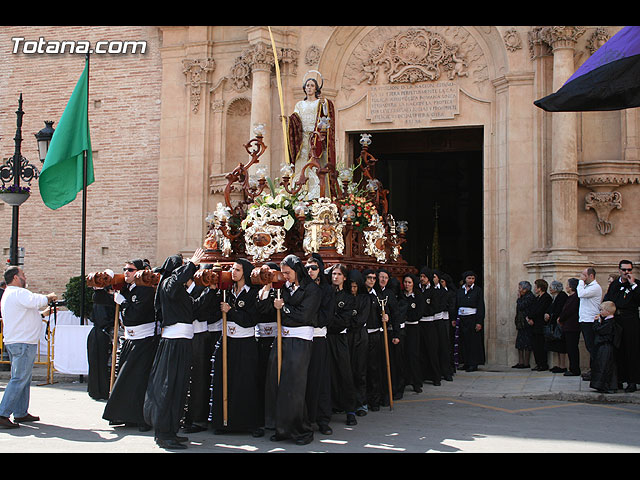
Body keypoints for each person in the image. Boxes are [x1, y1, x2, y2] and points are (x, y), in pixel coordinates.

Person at [143, 249, 209, 450]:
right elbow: (173, 283)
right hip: (173, 343)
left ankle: (171, 430)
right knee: (169, 387)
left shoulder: (179, 291)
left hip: (183, 341)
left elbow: (194, 309)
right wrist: (192, 263)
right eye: (179, 265)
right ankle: (163, 433)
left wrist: (211, 290)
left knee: (180, 388)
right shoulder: (168, 284)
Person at [262, 254, 321, 446]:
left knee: (294, 386)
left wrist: (284, 307)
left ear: (297, 270)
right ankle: (281, 427)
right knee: (277, 381)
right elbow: (269, 309)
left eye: (288, 273)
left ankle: (299, 428)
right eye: (283, 273)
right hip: (283, 338)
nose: (285, 276)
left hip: (300, 340)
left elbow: (304, 315)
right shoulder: (283, 288)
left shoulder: (312, 289)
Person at [103, 259, 158, 431]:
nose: (126, 272)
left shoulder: (146, 291)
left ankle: (142, 418)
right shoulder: (127, 288)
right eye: (125, 269)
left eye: (131, 270)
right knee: (126, 379)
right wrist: (105, 282)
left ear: (141, 273)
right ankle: (125, 415)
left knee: (139, 380)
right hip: (130, 340)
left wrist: (124, 303)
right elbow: (100, 299)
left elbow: (134, 315)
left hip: (144, 341)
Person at [210, 258, 262, 437]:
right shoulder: (227, 291)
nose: (234, 272)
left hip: (245, 343)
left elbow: (250, 320)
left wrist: (231, 311)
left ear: (245, 273)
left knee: (245, 383)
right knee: (225, 380)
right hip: (228, 340)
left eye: (238, 270)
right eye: (233, 269)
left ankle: (247, 423)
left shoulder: (252, 293)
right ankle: (223, 421)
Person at [0, 266, 56, 429]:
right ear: (16, 278)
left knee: (23, 378)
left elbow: (25, 314)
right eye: (23, 274)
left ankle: (20, 412)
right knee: (19, 379)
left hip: (18, 341)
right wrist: (49, 297)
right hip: (22, 343)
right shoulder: (19, 293)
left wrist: (43, 314)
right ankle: (3, 413)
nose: (25, 277)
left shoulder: (10, 295)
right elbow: (36, 301)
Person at [286, 74, 336, 199]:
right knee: (301, 163)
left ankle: (318, 194)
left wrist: (325, 104)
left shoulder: (320, 102)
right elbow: (295, 119)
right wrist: (287, 120)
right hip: (303, 138)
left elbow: (326, 115)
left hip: (315, 138)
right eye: (307, 85)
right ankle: (300, 192)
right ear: (304, 88)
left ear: (316, 89)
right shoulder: (299, 104)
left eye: (312, 86)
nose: (309, 88)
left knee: (317, 163)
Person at [303, 253, 333, 435]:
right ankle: (305, 417)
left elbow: (326, 315)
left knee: (321, 379)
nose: (310, 271)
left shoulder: (327, 290)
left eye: (314, 268)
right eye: (307, 268)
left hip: (319, 336)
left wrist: (309, 319)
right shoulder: (303, 287)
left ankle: (322, 419)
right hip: (303, 337)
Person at [326, 263, 358, 426]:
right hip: (325, 339)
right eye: (333, 274)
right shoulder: (326, 293)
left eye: (339, 274)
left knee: (344, 373)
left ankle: (350, 411)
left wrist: (327, 321)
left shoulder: (348, 298)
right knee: (327, 373)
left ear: (344, 277)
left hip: (339, 339)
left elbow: (343, 322)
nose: (335, 277)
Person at [604, 260, 640, 393]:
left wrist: (633, 284)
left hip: (630, 320)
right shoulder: (614, 284)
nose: (627, 273)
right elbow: (608, 299)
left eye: (629, 270)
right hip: (617, 320)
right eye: (624, 270)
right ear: (619, 270)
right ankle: (618, 379)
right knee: (617, 350)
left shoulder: (636, 284)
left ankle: (632, 381)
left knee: (632, 350)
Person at [87, 282, 116, 401]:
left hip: (97, 333)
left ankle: (97, 390)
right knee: (100, 363)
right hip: (101, 333)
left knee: (97, 363)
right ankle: (101, 390)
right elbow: (103, 319)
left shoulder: (102, 300)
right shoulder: (105, 301)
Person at [376, 268, 401, 402]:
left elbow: (396, 314)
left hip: (388, 332)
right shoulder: (374, 293)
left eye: (386, 278)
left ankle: (389, 392)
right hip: (375, 333)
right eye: (381, 277)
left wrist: (396, 334)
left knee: (389, 364)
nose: (383, 280)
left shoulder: (390, 294)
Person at [347, 269, 370, 417]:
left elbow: (361, 319)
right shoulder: (345, 297)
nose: (353, 289)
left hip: (360, 336)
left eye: (356, 286)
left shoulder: (365, 298)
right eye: (351, 286)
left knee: (360, 370)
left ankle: (361, 403)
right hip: (347, 336)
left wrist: (349, 320)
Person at [455, 271, 485, 372]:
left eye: (472, 278)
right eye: (469, 278)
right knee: (464, 341)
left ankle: (473, 363)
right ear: (465, 279)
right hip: (462, 318)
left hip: (472, 318)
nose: (471, 280)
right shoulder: (460, 290)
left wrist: (479, 322)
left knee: (473, 342)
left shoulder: (478, 290)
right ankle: (466, 362)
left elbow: (481, 306)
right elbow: (456, 304)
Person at [399, 273, 424, 393]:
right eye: (405, 282)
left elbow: (418, 313)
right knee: (403, 355)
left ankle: (416, 382)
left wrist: (408, 316)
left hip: (413, 328)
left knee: (413, 355)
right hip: (403, 328)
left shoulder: (418, 297)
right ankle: (404, 380)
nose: (407, 285)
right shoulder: (401, 296)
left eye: (409, 282)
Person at [577, 267, 602, 381]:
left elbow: (580, 294)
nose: (582, 277)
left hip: (590, 320)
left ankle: (596, 371)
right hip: (584, 319)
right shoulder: (588, 287)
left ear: (591, 276)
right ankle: (593, 370)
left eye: (584, 275)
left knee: (592, 347)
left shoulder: (595, 287)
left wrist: (580, 282)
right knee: (590, 347)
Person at [589, 301, 619, 394]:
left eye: (602, 310)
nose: (600, 312)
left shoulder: (609, 323)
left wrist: (596, 322)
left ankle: (607, 385)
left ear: (608, 311)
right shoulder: (607, 321)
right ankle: (601, 385)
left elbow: (598, 330)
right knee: (602, 365)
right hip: (603, 346)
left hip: (606, 346)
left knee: (605, 366)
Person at [526, 279, 552, 371]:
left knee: (541, 345)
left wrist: (531, 317)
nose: (534, 289)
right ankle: (538, 363)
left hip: (540, 325)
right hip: (534, 325)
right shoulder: (537, 298)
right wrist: (529, 318)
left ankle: (543, 364)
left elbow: (540, 311)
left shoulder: (546, 298)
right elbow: (532, 309)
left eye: (536, 287)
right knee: (535, 346)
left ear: (540, 288)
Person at [557, 278, 581, 377]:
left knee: (572, 349)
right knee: (570, 348)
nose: (566, 286)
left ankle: (574, 369)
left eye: (567, 285)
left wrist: (561, 319)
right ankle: (573, 368)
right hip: (568, 326)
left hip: (572, 327)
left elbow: (568, 311)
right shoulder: (571, 297)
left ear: (571, 287)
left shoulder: (575, 298)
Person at [544, 280, 568, 373]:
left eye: (551, 287)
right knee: (557, 346)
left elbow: (559, 310)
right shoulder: (555, 297)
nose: (550, 289)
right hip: (555, 324)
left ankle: (563, 365)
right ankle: (559, 365)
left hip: (560, 325)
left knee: (561, 346)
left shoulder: (562, 296)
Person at [513, 281, 535, 369]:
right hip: (521, 323)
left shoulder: (529, 297)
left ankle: (525, 363)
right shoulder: (525, 296)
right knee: (520, 343)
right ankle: (521, 362)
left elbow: (521, 306)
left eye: (520, 288)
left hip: (526, 323)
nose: (519, 290)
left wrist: (519, 299)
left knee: (526, 344)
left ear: (525, 289)